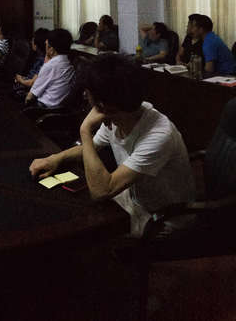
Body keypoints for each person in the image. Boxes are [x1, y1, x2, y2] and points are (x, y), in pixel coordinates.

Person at [29, 55, 195, 237]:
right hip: (132, 200)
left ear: (102, 105)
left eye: (87, 94)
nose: (85, 97)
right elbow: (91, 147)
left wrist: (85, 129)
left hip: (161, 221)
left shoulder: (159, 135)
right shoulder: (119, 114)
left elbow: (101, 191)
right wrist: (55, 159)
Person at [25, 29, 75, 107]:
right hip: (60, 107)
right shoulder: (69, 63)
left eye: (46, 44)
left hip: (43, 108)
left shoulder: (50, 66)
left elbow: (30, 96)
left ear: (51, 49)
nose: (45, 44)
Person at [14, 28, 49, 92]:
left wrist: (19, 79)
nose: (31, 42)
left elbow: (32, 83)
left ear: (37, 44)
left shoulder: (43, 60)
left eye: (32, 40)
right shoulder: (38, 57)